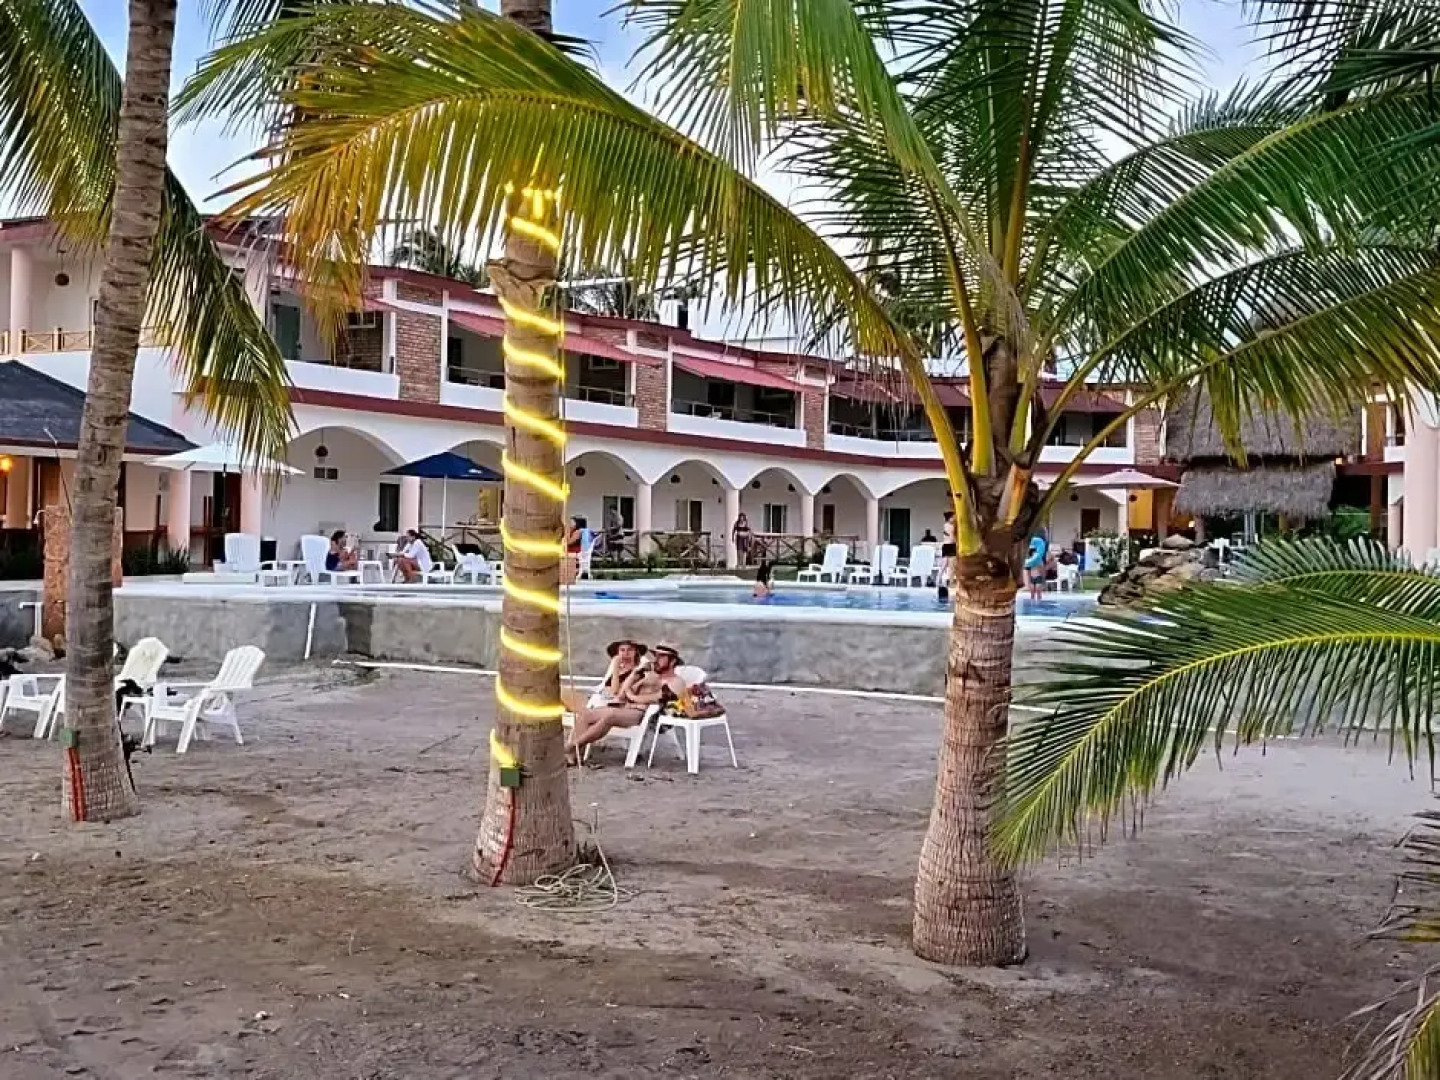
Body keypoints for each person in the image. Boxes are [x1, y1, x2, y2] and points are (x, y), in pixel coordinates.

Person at [567, 641, 683, 762]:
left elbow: (653, 698)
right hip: (624, 708)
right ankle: (574, 755)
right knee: (586, 714)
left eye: (662, 656)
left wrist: (632, 694)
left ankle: (571, 746)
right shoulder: (649, 675)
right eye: (656, 656)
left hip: (640, 713)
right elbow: (621, 694)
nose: (657, 659)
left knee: (610, 716)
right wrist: (635, 674)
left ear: (673, 661)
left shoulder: (676, 682)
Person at [937, 511, 957, 603]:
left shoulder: (945, 525)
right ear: (949, 518)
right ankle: (951, 583)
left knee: (944, 565)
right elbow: (952, 538)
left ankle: (938, 581)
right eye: (953, 517)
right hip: (951, 546)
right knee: (951, 566)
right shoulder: (951, 526)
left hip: (945, 546)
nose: (954, 519)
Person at [1025, 531, 1049, 601]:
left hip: (1038, 577)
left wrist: (1043, 579)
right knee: (1032, 592)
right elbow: (1028, 571)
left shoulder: (1039, 560)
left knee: (1038, 592)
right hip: (1032, 577)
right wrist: (1028, 581)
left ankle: (1039, 602)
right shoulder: (1029, 560)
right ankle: (1033, 604)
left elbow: (1042, 570)